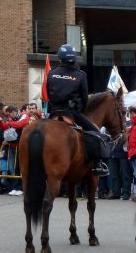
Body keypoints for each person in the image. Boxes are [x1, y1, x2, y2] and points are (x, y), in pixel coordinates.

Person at [46, 43, 108, 176]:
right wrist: (81, 109)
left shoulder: (52, 73)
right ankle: (98, 164)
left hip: (54, 112)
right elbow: (85, 98)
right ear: (74, 58)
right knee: (96, 133)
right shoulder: (80, 75)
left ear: (60, 58)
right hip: (71, 112)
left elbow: (48, 95)